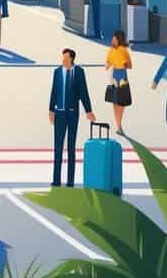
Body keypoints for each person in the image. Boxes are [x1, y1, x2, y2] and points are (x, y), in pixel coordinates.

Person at [48, 47, 95, 187]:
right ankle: (56, 179)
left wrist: (88, 110)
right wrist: (51, 110)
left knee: (71, 147)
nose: (63, 60)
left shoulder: (79, 72)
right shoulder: (57, 72)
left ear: (71, 59)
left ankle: (70, 180)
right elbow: (54, 91)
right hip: (60, 113)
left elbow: (83, 92)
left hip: (73, 113)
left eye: (65, 58)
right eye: (62, 58)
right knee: (58, 146)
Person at [105, 30, 133, 136]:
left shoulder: (124, 50)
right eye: (112, 38)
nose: (112, 40)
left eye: (114, 39)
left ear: (119, 40)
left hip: (122, 79)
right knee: (115, 103)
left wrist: (122, 64)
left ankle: (119, 126)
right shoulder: (111, 50)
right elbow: (107, 64)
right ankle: (118, 125)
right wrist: (109, 64)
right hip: (113, 79)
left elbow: (130, 66)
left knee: (121, 104)